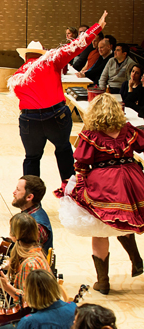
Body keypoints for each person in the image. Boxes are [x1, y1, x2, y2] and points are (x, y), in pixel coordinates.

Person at [57, 93, 144, 295]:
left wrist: (82, 179)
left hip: (105, 181)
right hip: (131, 178)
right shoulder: (127, 130)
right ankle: (136, 260)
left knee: (101, 226)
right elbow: (141, 144)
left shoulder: (91, 135)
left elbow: (81, 160)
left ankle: (103, 282)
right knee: (125, 218)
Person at [8, 11, 106, 181]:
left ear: (25, 56)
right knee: (63, 150)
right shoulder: (51, 60)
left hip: (29, 120)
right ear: (42, 52)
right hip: (55, 116)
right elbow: (77, 45)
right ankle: (69, 192)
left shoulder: (18, 75)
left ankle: (32, 200)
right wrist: (97, 27)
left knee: (31, 158)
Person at [0, 212, 51, 313]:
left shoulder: (29, 264)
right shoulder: (32, 249)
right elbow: (15, 268)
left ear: (14, 234)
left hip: (23, 315)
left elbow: (28, 301)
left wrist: (5, 287)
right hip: (15, 294)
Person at [12, 175, 53, 253]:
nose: (14, 192)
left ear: (29, 197)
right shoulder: (33, 212)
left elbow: (26, 255)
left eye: (18, 190)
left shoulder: (36, 226)